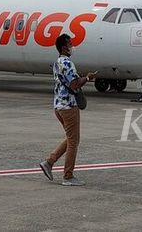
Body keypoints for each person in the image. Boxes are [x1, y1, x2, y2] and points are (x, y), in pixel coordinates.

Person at [39, 34, 96, 186]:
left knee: (72, 138)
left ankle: (49, 162)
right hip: (69, 106)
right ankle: (68, 176)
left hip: (58, 106)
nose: (72, 46)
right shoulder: (67, 63)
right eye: (70, 44)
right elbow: (74, 85)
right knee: (73, 141)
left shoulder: (57, 62)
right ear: (64, 47)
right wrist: (88, 78)